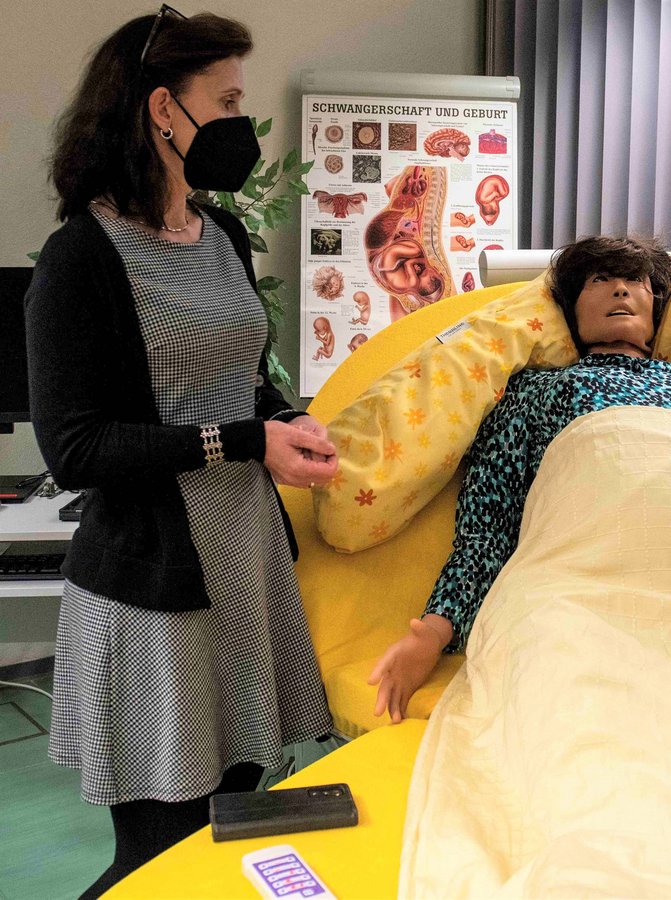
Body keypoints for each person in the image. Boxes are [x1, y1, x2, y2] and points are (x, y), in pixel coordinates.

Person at [25, 8, 339, 895]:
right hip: (154, 589)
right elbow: (77, 448)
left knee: (231, 831)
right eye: (229, 99)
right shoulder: (79, 258)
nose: (243, 121)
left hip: (242, 565)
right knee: (158, 862)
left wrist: (287, 420)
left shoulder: (222, 234)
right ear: (164, 110)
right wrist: (248, 439)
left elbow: (244, 376)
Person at [369, 236, 671, 720]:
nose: (620, 291)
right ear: (570, 310)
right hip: (581, 589)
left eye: (634, 282)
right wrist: (434, 632)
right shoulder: (534, 390)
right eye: (600, 280)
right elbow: (489, 521)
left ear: (656, 307)